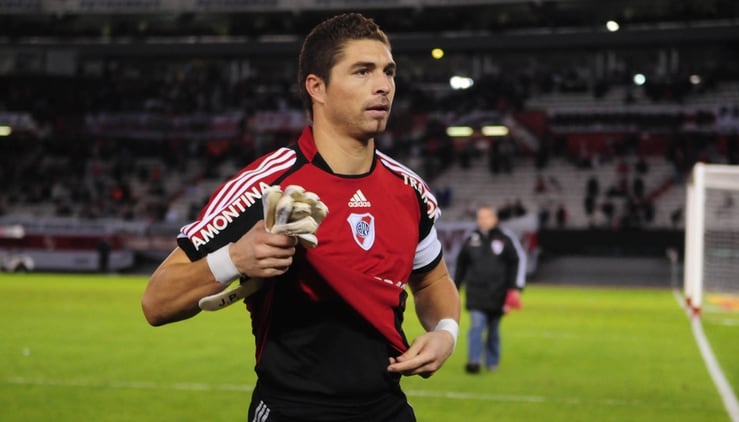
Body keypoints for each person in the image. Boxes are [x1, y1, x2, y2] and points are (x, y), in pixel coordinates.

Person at [141, 12, 460, 422]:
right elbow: (156, 301)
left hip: (387, 408)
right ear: (317, 88)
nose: (384, 85)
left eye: (388, 72)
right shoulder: (265, 185)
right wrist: (235, 259)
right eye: (362, 71)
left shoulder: (410, 190)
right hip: (292, 409)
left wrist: (445, 333)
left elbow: (433, 279)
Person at [454, 204, 526, 374]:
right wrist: (454, 287)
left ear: (495, 219)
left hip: (498, 294)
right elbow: (460, 265)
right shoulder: (471, 238)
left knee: (493, 330)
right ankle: (474, 361)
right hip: (476, 293)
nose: (483, 221)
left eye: (487, 217)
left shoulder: (505, 238)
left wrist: (515, 288)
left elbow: (517, 261)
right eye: (480, 217)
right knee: (476, 326)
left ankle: (492, 363)